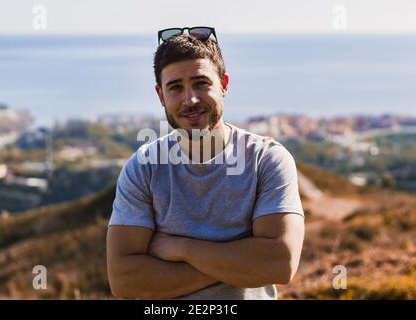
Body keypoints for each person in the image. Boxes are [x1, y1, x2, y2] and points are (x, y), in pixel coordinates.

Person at [106, 26, 305, 300]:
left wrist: (181, 249)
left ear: (223, 85)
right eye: (176, 87)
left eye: (201, 83)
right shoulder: (142, 169)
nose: (191, 100)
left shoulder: (266, 160)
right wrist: (241, 259)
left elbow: (279, 264)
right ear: (161, 95)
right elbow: (124, 281)